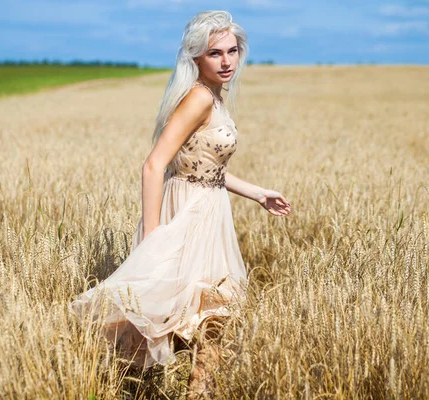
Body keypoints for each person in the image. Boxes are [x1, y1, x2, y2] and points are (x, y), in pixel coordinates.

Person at [70, 10, 292, 398]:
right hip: (187, 213)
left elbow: (206, 168)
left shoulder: (215, 98)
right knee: (196, 316)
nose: (226, 61)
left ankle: (190, 391)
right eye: (214, 54)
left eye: (232, 51)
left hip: (210, 208)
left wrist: (258, 193)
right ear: (195, 59)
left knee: (207, 317)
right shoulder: (198, 99)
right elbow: (154, 164)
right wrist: (153, 237)